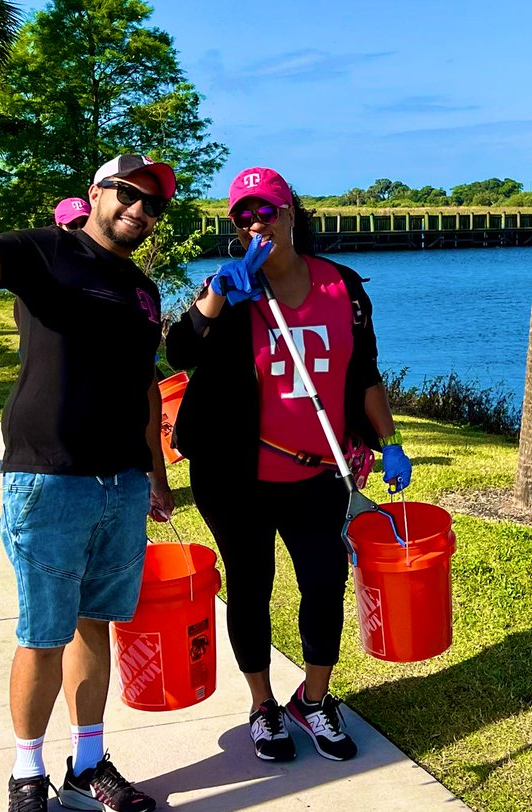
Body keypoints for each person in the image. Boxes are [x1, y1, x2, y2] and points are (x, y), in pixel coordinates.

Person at [0, 154, 176, 812]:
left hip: (122, 482)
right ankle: (26, 772)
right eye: (128, 194)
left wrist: (154, 472)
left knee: (95, 624)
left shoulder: (144, 291)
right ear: (98, 193)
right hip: (48, 478)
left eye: (152, 205)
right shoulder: (47, 249)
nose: (139, 209)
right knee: (42, 633)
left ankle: (88, 764)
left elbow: (143, 388)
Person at [165, 166, 413, 764]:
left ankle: (315, 698)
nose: (257, 224)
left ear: (291, 212)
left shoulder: (343, 288)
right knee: (250, 586)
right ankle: (262, 707)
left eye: (267, 211)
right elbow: (179, 350)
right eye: (243, 216)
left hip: (317, 471)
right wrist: (220, 295)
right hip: (235, 477)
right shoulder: (229, 291)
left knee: (325, 581)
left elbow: (365, 375)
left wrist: (390, 439)